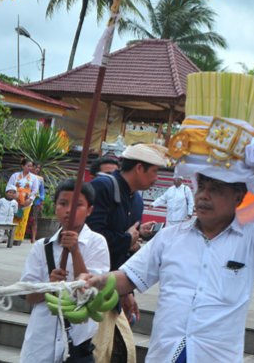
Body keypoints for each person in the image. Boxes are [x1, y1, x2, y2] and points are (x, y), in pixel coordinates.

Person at [82, 132, 254, 362]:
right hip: (167, 352)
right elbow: (130, 277)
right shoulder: (170, 237)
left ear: (238, 197)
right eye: (201, 187)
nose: (204, 196)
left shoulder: (251, 239)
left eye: (216, 189)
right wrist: (99, 280)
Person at [86, 143, 166, 362]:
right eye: (155, 171)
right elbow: (91, 238)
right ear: (139, 168)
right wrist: (127, 239)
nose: (157, 178)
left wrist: (127, 292)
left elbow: (124, 248)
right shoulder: (103, 187)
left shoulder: (137, 200)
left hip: (114, 288)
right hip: (89, 285)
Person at [19, 179, 109, 363]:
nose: (69, 210)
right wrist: (49, 286)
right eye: (63, 204)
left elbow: (90, 291)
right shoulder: (40, 247)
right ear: (55, 207)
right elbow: (28, 296)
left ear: (89, 210)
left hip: (76, 339)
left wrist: (75, 251)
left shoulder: (97, 243)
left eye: (78, 205)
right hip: (41, 339)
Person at [7, 158, 41, 245]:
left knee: (22, 220)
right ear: (22, 166)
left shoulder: (34, 178)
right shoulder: (15, 175)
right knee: (12, 218)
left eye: (31, 166)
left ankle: (18, 238)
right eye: (28, 165)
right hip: (15, 200)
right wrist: (14, 196)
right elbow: (9, 186)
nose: (30, 167)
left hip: (26, 202)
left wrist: (30, 200)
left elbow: (35, 191)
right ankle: (10, 237)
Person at [27, 162, 46, 243]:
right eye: (36, 167)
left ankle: (33, 238)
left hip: (36, 201)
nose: (37, 169)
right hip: (26, 199)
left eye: (39, 168)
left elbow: (42, 191)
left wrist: (41, 199)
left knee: (34, 219)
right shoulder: (27, 176)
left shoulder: (40, 179)